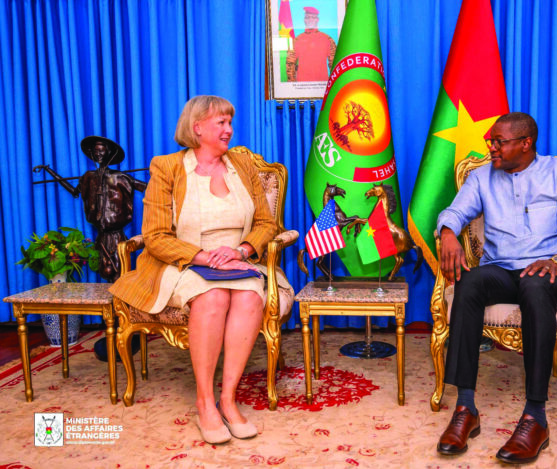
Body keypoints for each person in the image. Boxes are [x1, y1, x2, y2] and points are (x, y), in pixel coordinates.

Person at [110, 95, 293, 445]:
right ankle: (205, 402)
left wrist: (242, 250)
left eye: (229, 122)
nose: (229, 129)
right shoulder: (167, 167)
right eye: (221, 123)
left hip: (239, 259)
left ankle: (228, 399)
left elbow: (267, 223)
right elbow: (155, 236)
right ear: (197, 128)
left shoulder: (242, 164)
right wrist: (204, 257)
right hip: (184, 262)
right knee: (213, 296)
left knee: (250, 298)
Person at [435, 112, 557, 464]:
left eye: (499, 142)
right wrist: (448, 233)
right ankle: (465, 408)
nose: (491, 147)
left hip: (551, 273)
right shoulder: (482, 177)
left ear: (526, 143)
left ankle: (535, 417)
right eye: (490, 141)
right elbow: (454, 212)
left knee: (534, 284)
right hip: (502, 270)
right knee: (469, 281)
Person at [33, 136, 147, 282]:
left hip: (116, 236)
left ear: (109, 153)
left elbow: (147, 187)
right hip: (101, 235)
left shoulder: (121, 177)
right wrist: (50, 171)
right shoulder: (88, 177)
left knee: (119, 271)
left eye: (102, 151)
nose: (99, 154)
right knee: (105, 271)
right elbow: (74, 191)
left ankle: (120, 295)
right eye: (96, 151)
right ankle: (108, 296)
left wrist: (161, 174)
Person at [285, 6, 336, 82]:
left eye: (313, 17)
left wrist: (333, 85)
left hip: (322, 85)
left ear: (317, 19)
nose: (310, 20)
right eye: (307, 17)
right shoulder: (296, 40)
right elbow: (290, 64)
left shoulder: (327, 39)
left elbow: (334, 65)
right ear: (304, 20)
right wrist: (292, 85)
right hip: (302, 86)